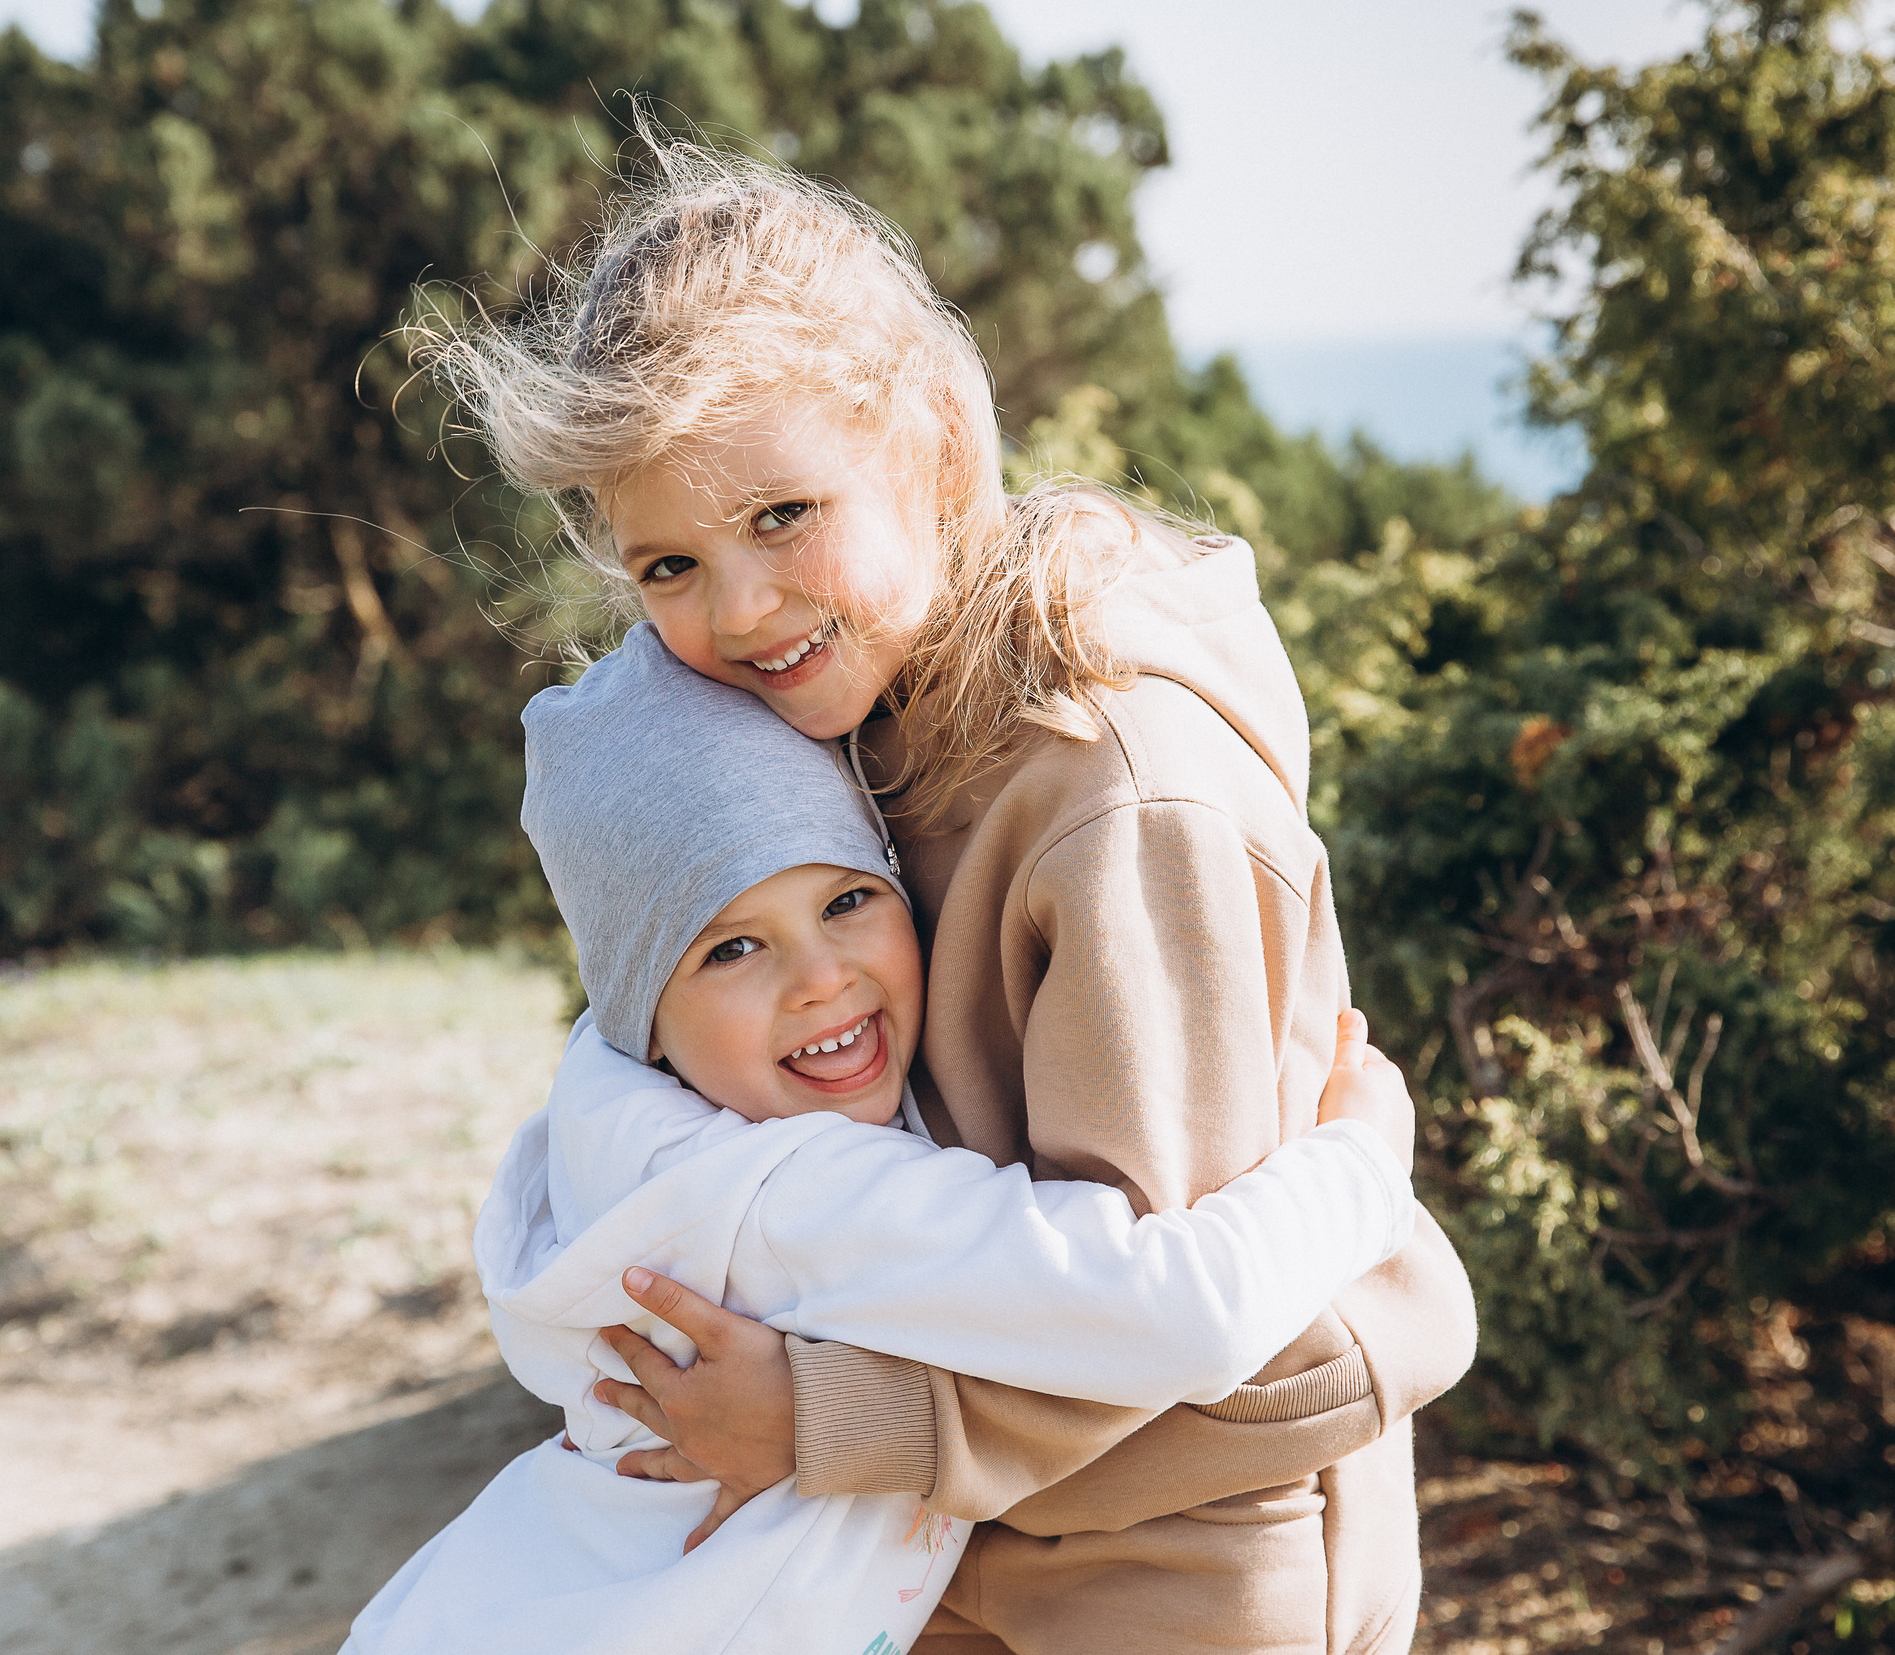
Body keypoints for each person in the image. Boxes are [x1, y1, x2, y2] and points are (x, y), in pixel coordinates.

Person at [427, 136, 1479, 1653]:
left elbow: (1160, 1308)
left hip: (1170, 1560)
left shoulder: (1120, 794)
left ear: (933, 443)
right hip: (934, 1538)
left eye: (785, 515)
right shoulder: (833, 723)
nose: (736, 609)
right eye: (666, 563)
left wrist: (820, 1409)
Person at [342, 623, 1422, 1655]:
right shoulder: (802, 1196)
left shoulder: (609, 1129)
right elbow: (1179, 1311)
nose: (821, 978)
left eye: (850, 898)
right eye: (729, 950)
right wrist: (1360, 1168)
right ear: (644, 1016)